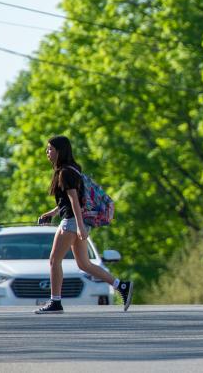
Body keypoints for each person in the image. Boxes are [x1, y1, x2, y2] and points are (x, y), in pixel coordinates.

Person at [35, 135, 133, 314]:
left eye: (50, 149)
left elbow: (74, 201)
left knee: (54, 260)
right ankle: (122, 286)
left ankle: (55, 302)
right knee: (84, 264)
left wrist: (79, 226)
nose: (47, 152)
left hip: (72, 222)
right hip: (76, 221)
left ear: (60, 151)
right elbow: (66, 201)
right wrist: (51, 213)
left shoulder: (64, 172)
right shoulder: (72, 169)